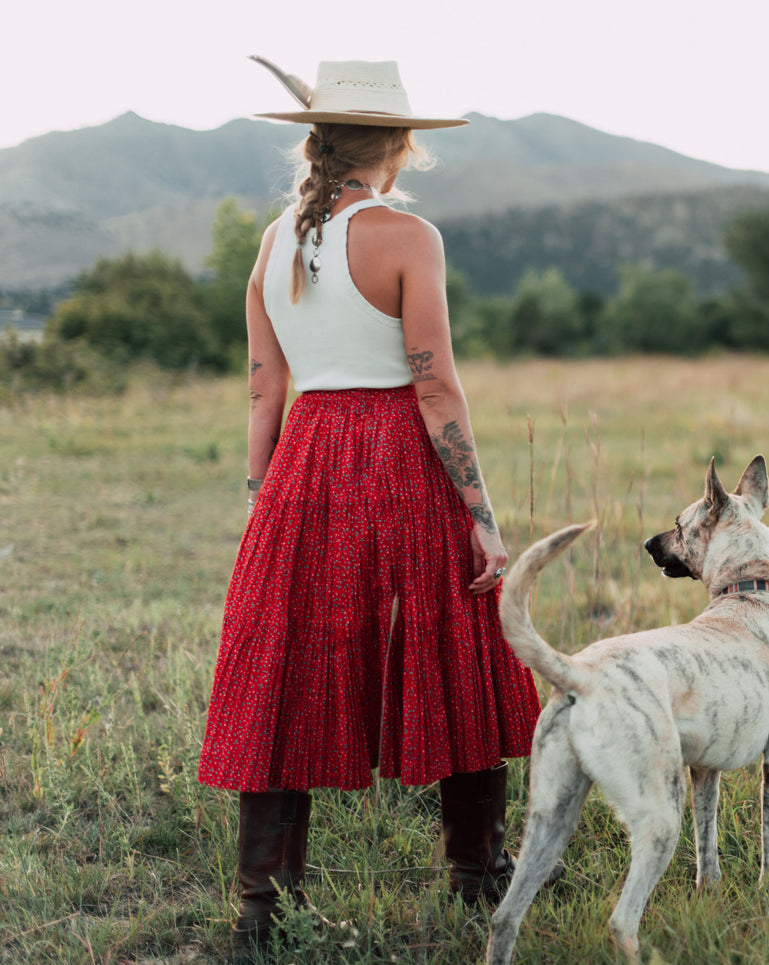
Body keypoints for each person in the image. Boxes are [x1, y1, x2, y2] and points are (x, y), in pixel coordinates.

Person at [196, 59, 542, 956]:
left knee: (286, 666)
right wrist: (483, 515)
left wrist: (258, 501)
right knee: (452, 638)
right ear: (397, 144)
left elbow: (263, 393)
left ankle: (261, 912)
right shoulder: (407, 235)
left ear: (317, 142)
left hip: (305, 461)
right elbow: (436, 389)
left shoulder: (271, 244)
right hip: (396, 455)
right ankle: (478, 877)